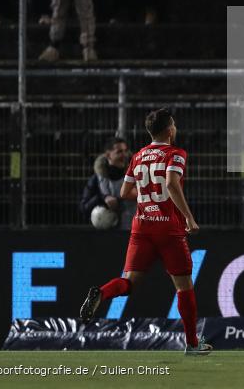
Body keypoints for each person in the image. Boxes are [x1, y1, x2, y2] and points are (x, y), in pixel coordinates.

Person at [79, 108, 212, 355]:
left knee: (129, 282)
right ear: (170, 129)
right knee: (184, 287)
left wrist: (148, 196)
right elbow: (171, 184)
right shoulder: (176, 153)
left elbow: (123, 193)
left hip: (141, 227)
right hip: (168, 228)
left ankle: (102, 292)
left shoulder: (139, 156)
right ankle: (193, 344)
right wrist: (189, 218)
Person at [80, 138, 134, 229]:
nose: (124, 155)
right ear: (108, 155)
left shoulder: (136, 176)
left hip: (132, 231)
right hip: (107, 235)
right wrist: (103, 198)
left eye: (125, 151)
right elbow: (84, 208)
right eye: (119, 152)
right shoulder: (97, 179)